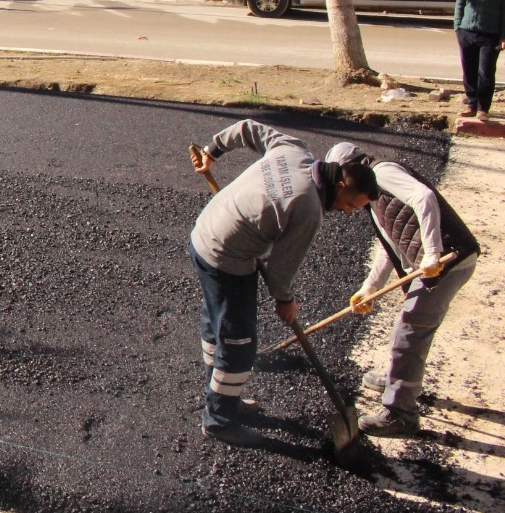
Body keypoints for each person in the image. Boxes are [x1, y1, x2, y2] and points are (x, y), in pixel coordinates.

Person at [188, 120, 379, 446]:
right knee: (239, 342)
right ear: (342, 186)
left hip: (203, 233)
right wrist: (285, 301)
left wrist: (212, 151)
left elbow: (248, 128)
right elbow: (279, 271)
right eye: (350, 205)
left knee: (217, 323)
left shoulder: (295, 150)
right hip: (226, 255)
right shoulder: (308, 209)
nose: (348, 213)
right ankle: (219, 420)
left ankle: (219, 396)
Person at [325, 142, 479, 438]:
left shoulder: (383, 173)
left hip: (449, 260)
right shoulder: (374, 195)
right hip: (437, 263)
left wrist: (433, 253)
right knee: (406, 329)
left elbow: (424, 198)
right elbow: (391, 243)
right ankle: (399, 380)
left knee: (411, 332)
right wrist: (369, 288)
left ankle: (401, 414)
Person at [454, 0, 505, 120]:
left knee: (485, 72)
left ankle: (483, 108)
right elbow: (460, 2)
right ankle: (472, 104)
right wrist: (457, 26)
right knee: (469, 70)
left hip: (490, 34)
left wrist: (503, 36)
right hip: (467, 32)